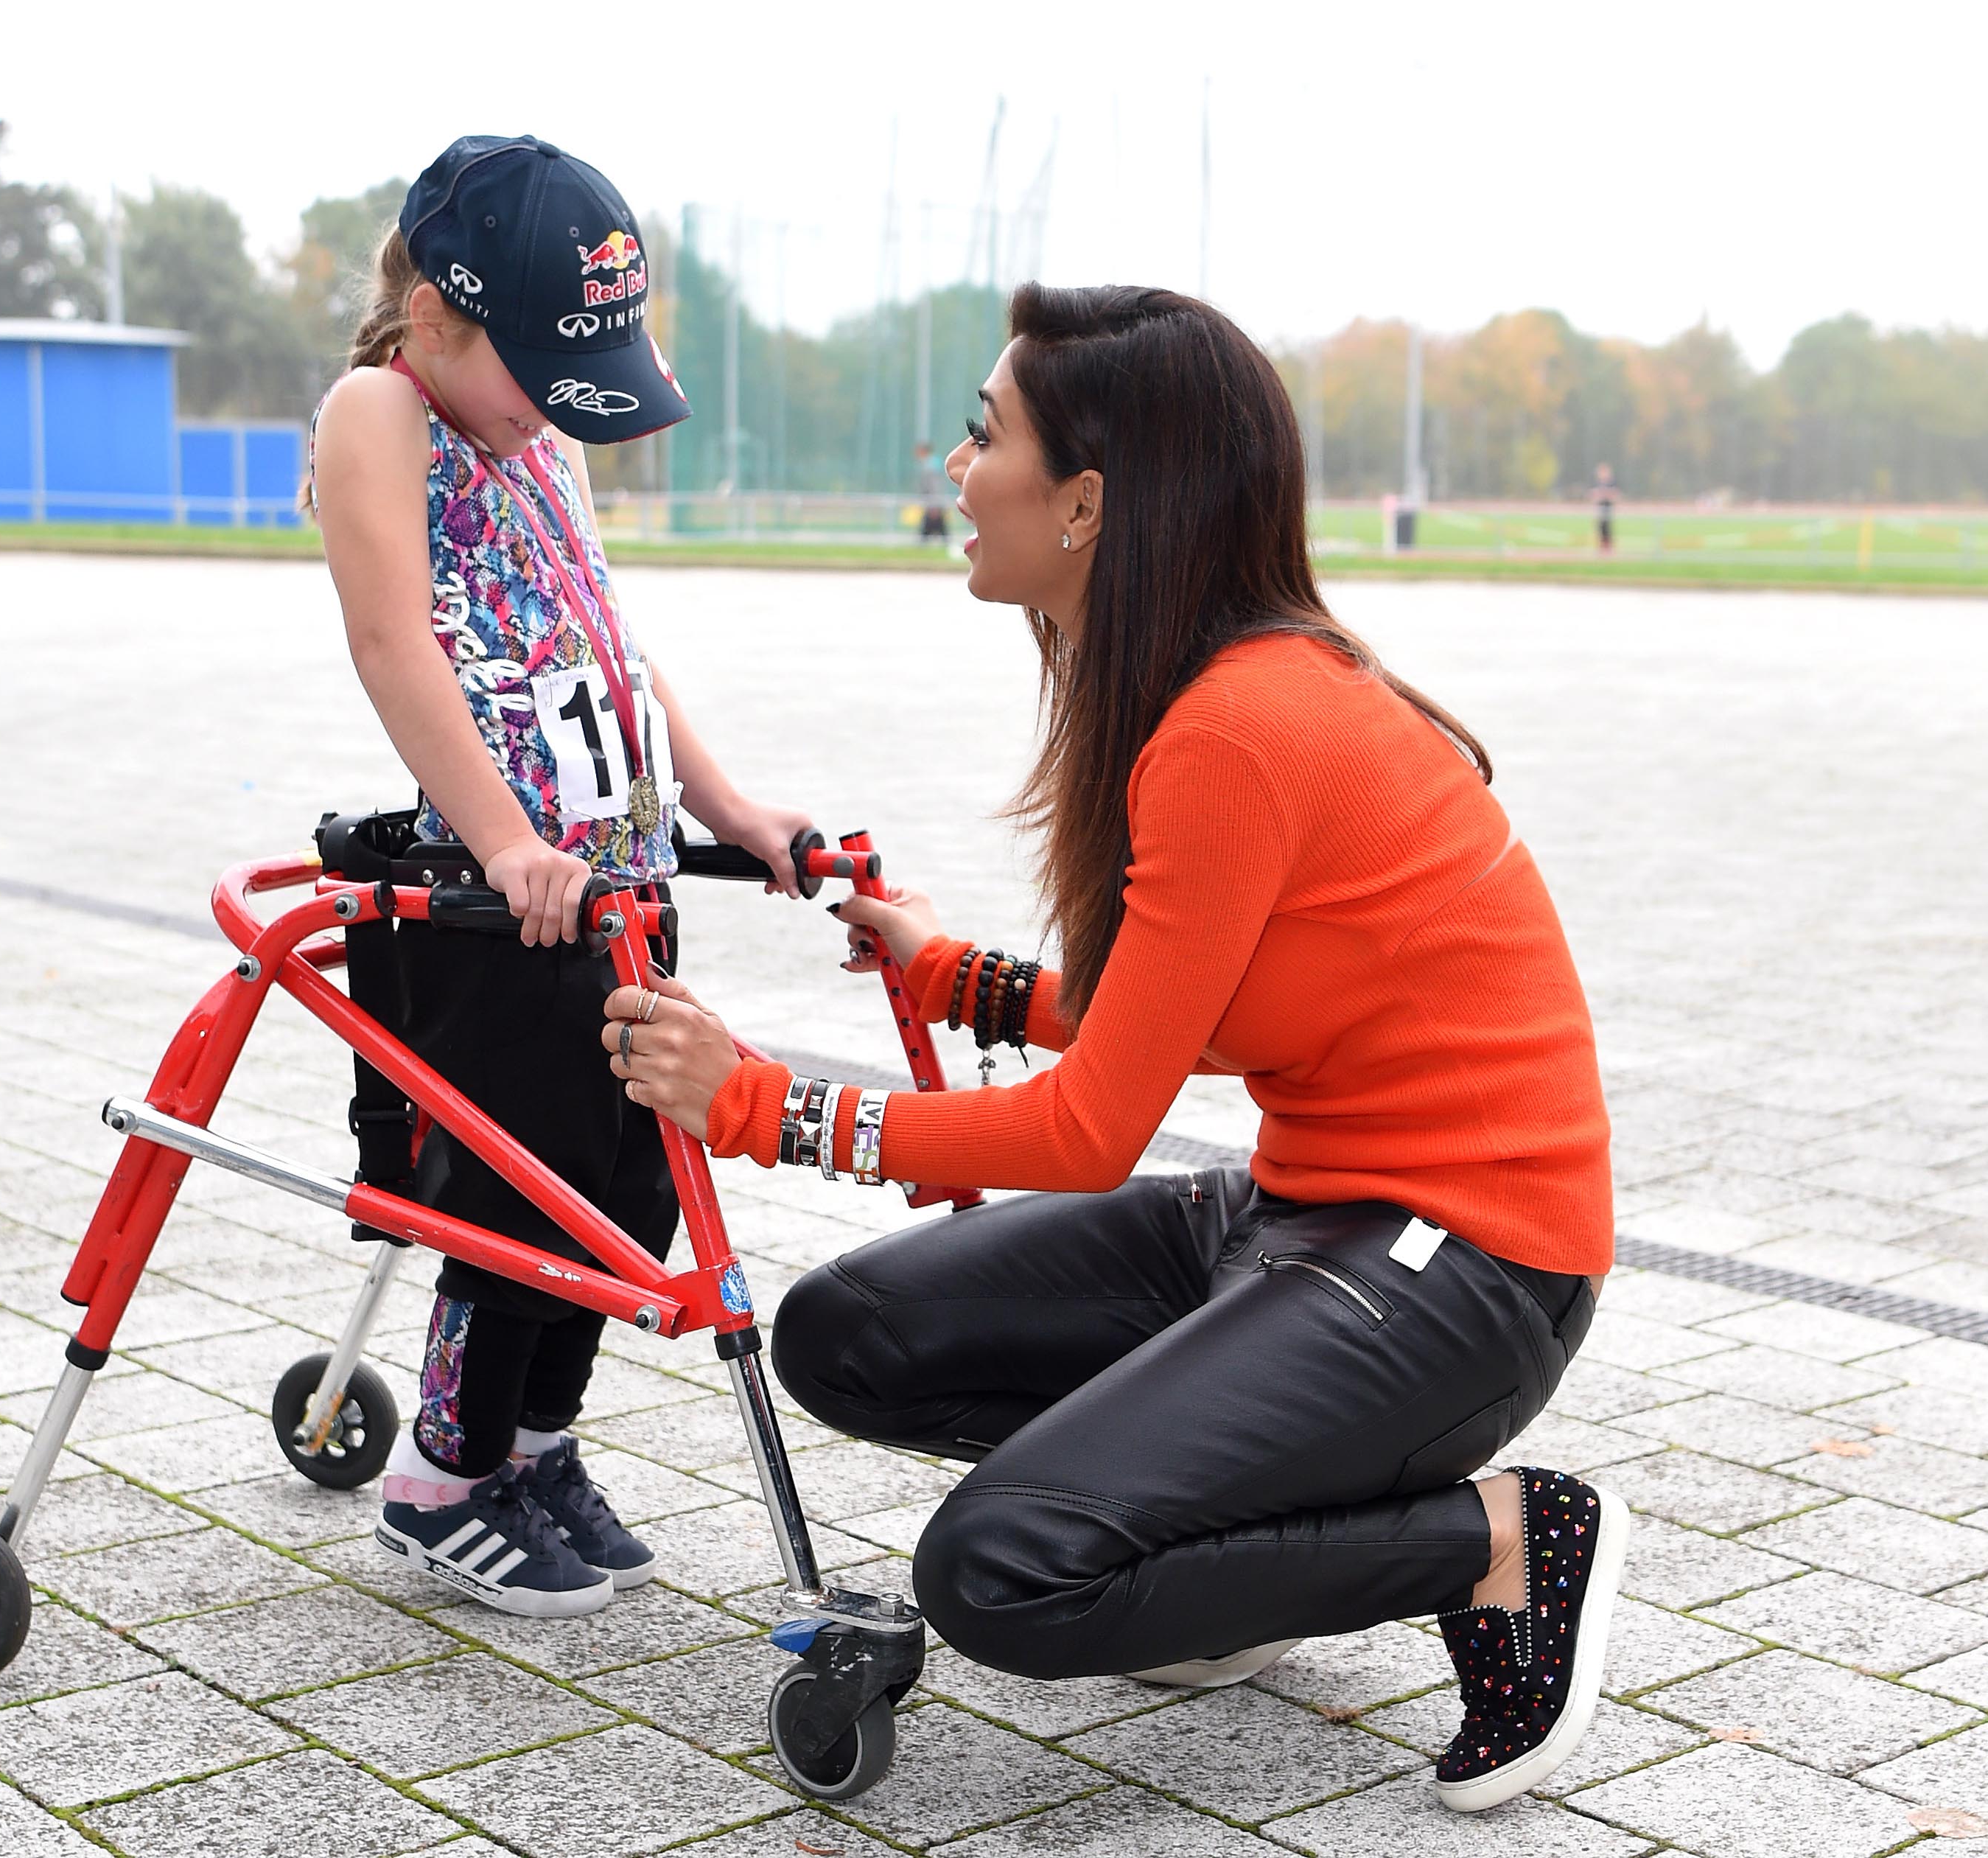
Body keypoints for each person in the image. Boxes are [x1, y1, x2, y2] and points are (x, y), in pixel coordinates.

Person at [602, 284, 1628, 1813]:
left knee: (1000, 1572)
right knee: (850, 1335)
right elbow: (1173, 1003)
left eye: (982, 436)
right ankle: (1228, 1561)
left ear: (1086, 500)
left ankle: (1500, 1545)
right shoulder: (1204, 700)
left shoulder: (1238, 725)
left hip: (1466, 1271)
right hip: (1303, 1220)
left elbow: (1090, 1130)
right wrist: (956, 973)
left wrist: (759, 1104)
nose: (955, 472)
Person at [308, 135, 813, 1618]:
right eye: (533, 368)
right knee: (527, 1191)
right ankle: (443, 1476)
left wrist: (727, 805)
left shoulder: (541, 436)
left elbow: (613, 643)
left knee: (635, 1173)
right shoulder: (380, 413)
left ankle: (534, 1446)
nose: (550, 406)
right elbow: (395, 639)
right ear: (435, 322)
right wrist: (506, 839)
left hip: (619, 878)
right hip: (507, 889)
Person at [915, 439, 949, 542]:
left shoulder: (931, 466)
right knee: (939, 526)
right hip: (932, 501)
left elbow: (935, 487)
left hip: (933, 502)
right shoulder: (930, 464)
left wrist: (934, 504)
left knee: (933, 524)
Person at [1592, 463, 1620, 553]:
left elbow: (1614, 495)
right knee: (1600, 527)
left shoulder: (1612, 483)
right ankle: (1601, 547)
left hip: (1608, 508)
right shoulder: (1598, 483)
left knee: (1608, 527)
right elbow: (1595, 496)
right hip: (1600, 508)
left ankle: (1609, 549)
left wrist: (1606, 494)